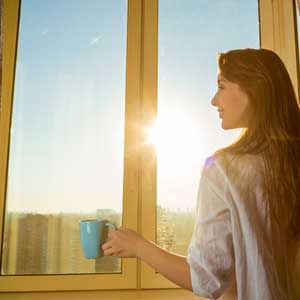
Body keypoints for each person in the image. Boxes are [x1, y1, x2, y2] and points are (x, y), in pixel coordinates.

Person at [102, 48, 300, 300]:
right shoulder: (289, 162)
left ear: (253, 87)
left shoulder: (224, 169)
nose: (214, 100)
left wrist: (138, 246)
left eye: (222, 86)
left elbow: (204, 278)